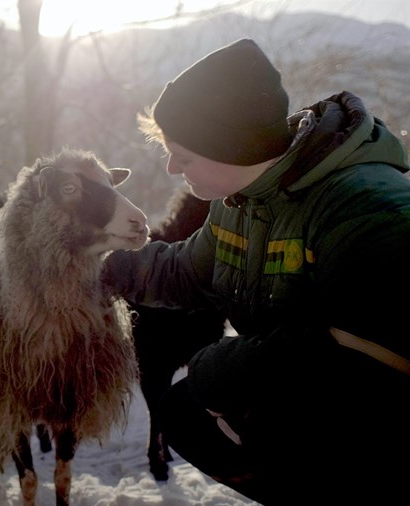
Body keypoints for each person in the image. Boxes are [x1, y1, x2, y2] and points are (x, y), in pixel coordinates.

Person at [102, 38, 410, 504]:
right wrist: (98, 268)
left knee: (224, 401)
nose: (170, 168)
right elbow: (187, 270)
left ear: (227, 144)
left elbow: (373, 356)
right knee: (183, 412)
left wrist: (217, 367)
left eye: (182, 156)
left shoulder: (364, 207)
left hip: (377, 411)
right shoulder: (242, 201)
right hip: (303, 391)